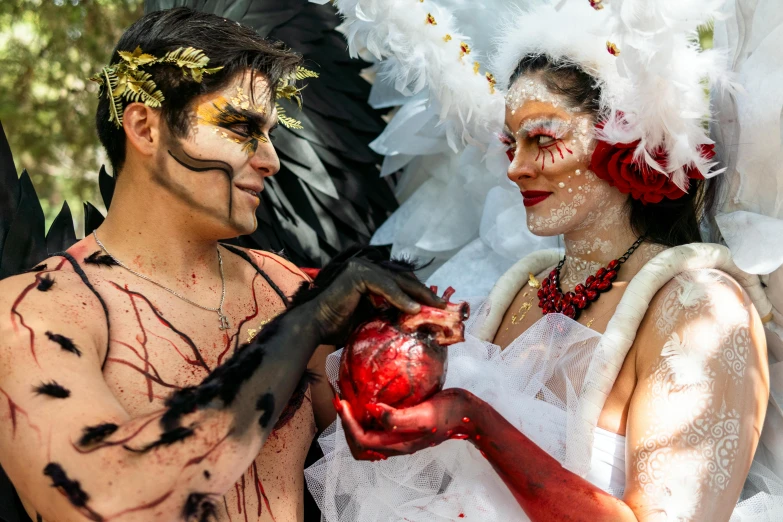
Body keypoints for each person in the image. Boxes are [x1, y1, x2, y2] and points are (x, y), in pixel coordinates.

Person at [305, 1, 783, 520]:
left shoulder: (700, 309)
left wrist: (474, 422)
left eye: (543, 139)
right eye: (511, 143)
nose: (515, 168)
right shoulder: (515, 294)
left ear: (623, 136)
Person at [0, 7, 443, 522]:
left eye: (272, 133)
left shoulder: (282, 287)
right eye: (241, 127)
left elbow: (398, 470)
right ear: (145, 127)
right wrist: (301, 327)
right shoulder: (37, 312)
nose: (271, 160)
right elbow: (104, 501)